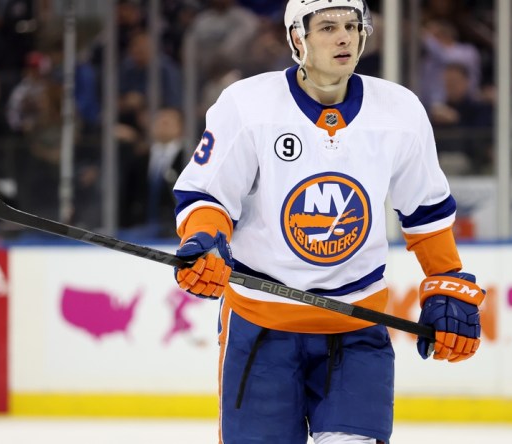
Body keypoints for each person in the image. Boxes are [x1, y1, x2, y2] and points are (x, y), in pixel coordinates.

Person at [171, 1, 485, 443]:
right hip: (261, 330)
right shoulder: (247, 105)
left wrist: (447, 277)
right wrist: (205, 240)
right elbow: (208, 195)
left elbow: (426, 211)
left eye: (352, 26)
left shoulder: (399, 111)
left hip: (356, 329)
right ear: (298, 38)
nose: (344, 37)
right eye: (328, 27)